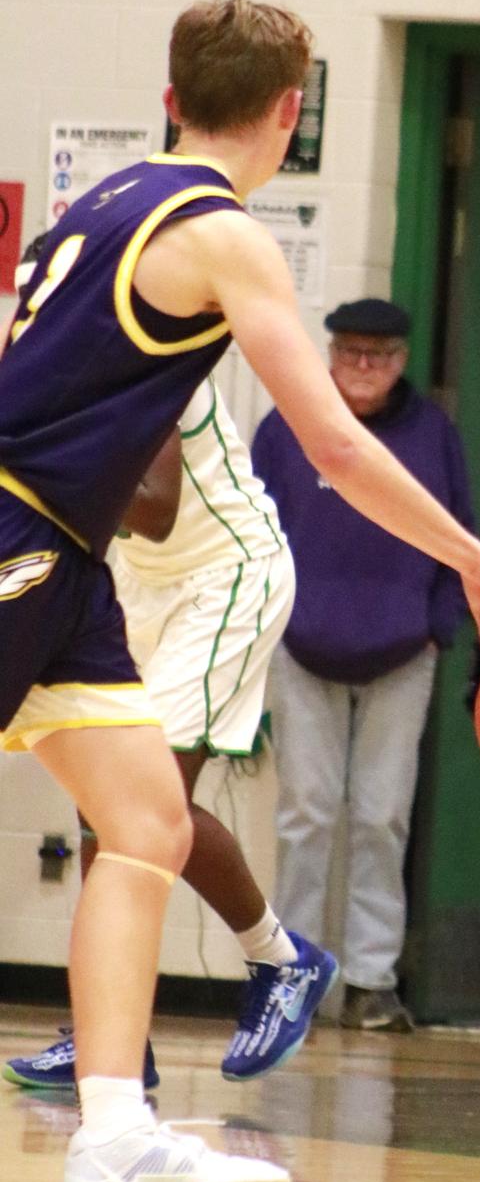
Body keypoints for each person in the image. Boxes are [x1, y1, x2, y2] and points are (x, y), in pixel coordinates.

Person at [0, 0, 480, 1182]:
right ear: (289, 113)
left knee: (147, 823)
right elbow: (336, 449)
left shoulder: (102, 199)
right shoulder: (220, 231)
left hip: (68, 554)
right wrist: (476, 560)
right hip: (19, 530)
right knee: (145, 824)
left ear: (172, 95)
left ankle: (114, 1134)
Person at [5, 367, 337, 1094]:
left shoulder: (145, 356)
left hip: (226, 577)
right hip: (144, 583)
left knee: (149, 807)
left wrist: (41, 467)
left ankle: (282, 959)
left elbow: (153, 508)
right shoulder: (44, 359)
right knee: (107, 801)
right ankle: (111, 1033)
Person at [253, 296, 475, 1034]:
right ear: (330, 355)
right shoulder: (287, 428)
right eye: (350, 354)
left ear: (402, 361)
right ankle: (293, 975)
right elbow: (249, 532)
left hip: (403, 653)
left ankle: (373, 980)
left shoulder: (431, 435)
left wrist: (439, 628)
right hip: (302, 647)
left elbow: (461, 536)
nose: (363, 368)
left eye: (379, 356)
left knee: (383, 816)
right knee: (306, 814)